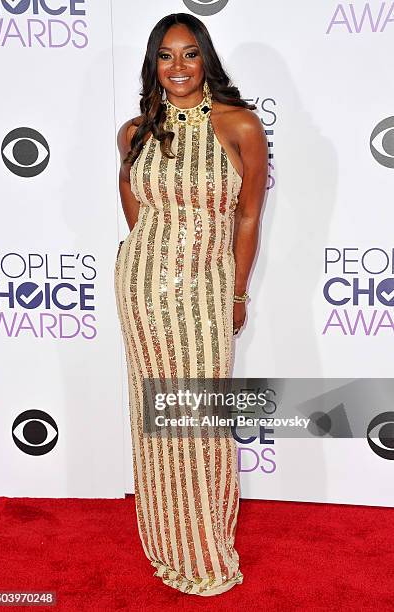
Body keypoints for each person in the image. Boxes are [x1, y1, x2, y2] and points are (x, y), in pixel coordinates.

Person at [114, 12, 267, 596]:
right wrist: (153, 264)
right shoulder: (135, 131)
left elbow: (248, 214)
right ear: (153, 64)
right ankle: (164, 538)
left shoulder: (240, 125)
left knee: (199, 422)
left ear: (206, 59)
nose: (178, 67)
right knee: (155, 421)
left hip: (205, 290)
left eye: (189, 54)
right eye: (166, 56)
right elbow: (134, 208)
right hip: (141, 289)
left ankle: (204, 548)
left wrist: (234, 289)